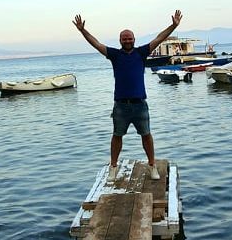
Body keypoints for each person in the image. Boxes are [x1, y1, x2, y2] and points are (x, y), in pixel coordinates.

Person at [73, 10, 183, 182]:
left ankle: (152, 166)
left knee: (146, 135)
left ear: (134, 39)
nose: (127, 40)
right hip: (121, 105)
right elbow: (96, 43)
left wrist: (174, 25)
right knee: (117, 136)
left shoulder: (141, 52)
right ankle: (113, 168)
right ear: (120, 41)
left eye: (129, 38)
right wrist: (82, 31)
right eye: (124, 38)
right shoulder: (114, 55)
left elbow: (159, 38)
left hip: (140, 104)